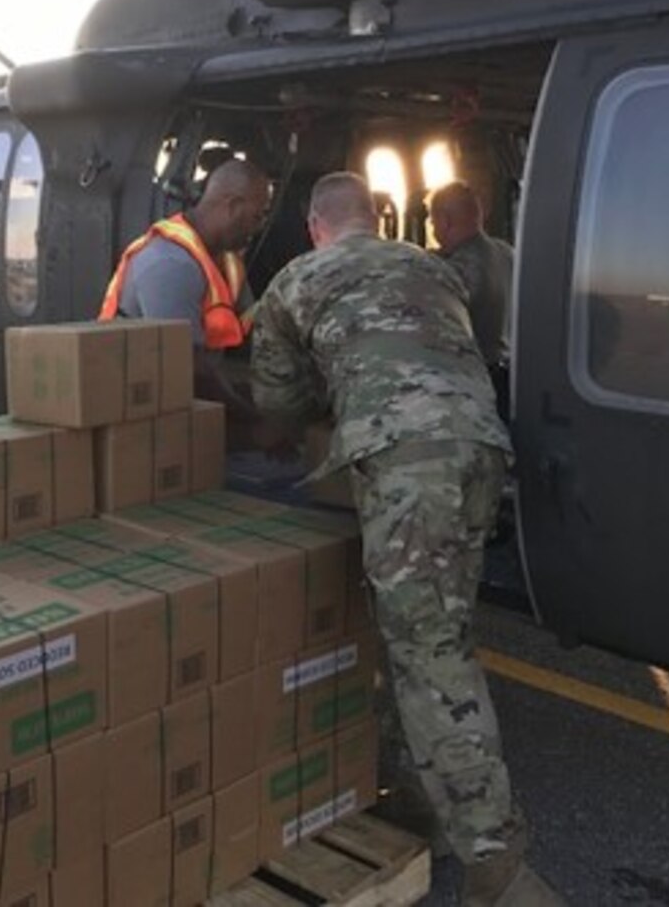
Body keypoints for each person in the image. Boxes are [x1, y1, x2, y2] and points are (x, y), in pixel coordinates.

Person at [250, 172, 560, 907]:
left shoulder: (297, 279)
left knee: (431, 654)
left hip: (407, 463)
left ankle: (499, 866)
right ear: (375, 217)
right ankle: (418, 789)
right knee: (432, 625)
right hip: (482, 448)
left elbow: (278, 401)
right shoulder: (431, 265)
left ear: (316, 226)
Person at [99, 157, 272, 420]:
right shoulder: (170, 264)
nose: (258, 227)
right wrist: (252, 421)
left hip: (196, 391)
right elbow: (187, 368)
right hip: (144, 406)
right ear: (233, 206)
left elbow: (254, 328)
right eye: (256, 217)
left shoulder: (227, 260)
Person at [428, 180, 515, 367]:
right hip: (510, 373)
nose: (434, 229)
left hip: (477, 377)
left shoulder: (455, 269)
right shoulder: (508, 253)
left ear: (445, 221)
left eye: (433, 222)